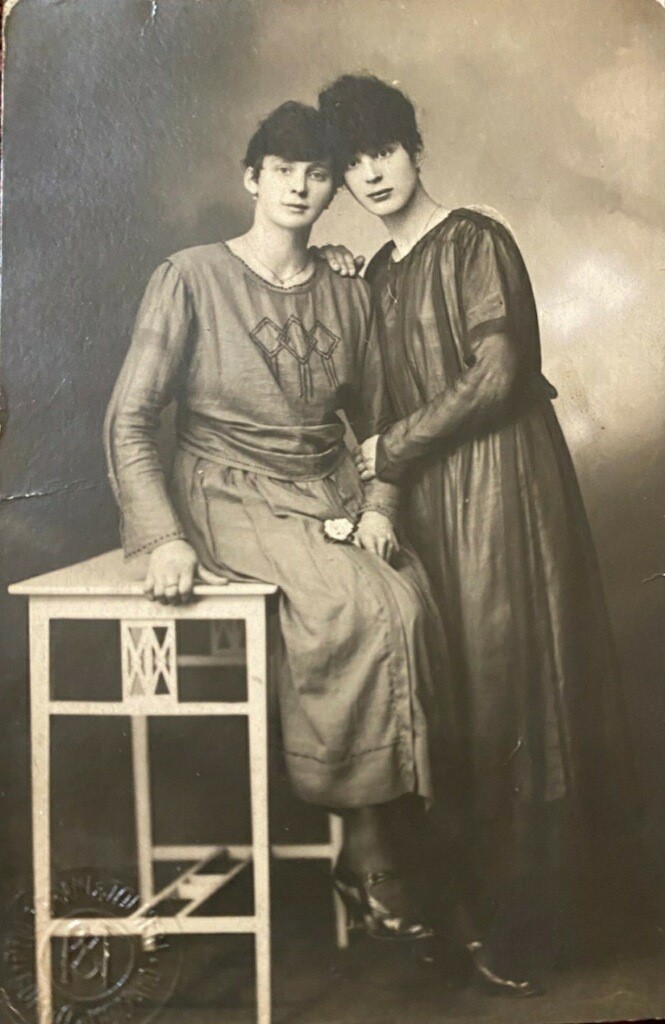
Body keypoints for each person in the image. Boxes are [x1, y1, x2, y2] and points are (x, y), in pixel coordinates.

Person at [318, 74, 640, 992]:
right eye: (350, 163)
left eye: (381, 150)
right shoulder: (374, 274)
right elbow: (362, 396)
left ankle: (537, 924)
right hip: (425, 503)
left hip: (504, 487)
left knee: (517, 693)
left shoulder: (476, 241)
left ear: (413, 148)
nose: (370, 174)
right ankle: (469, 914)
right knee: (453, 692)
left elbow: (500, 374)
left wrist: (394, 443)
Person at [104, 100, 450, 942]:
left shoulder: (346, 289)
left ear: (333, 191)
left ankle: (395, 836)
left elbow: (376, 421)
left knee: (411, 595)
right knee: (350, 607)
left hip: (324, 484)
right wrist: (164, 535)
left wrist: (376, 506)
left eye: (318, 173)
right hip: (226, 490)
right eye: (282, 170)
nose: (299, 185)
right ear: (251, 179)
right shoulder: (188, 276)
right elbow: (130, 419)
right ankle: (368, 849)